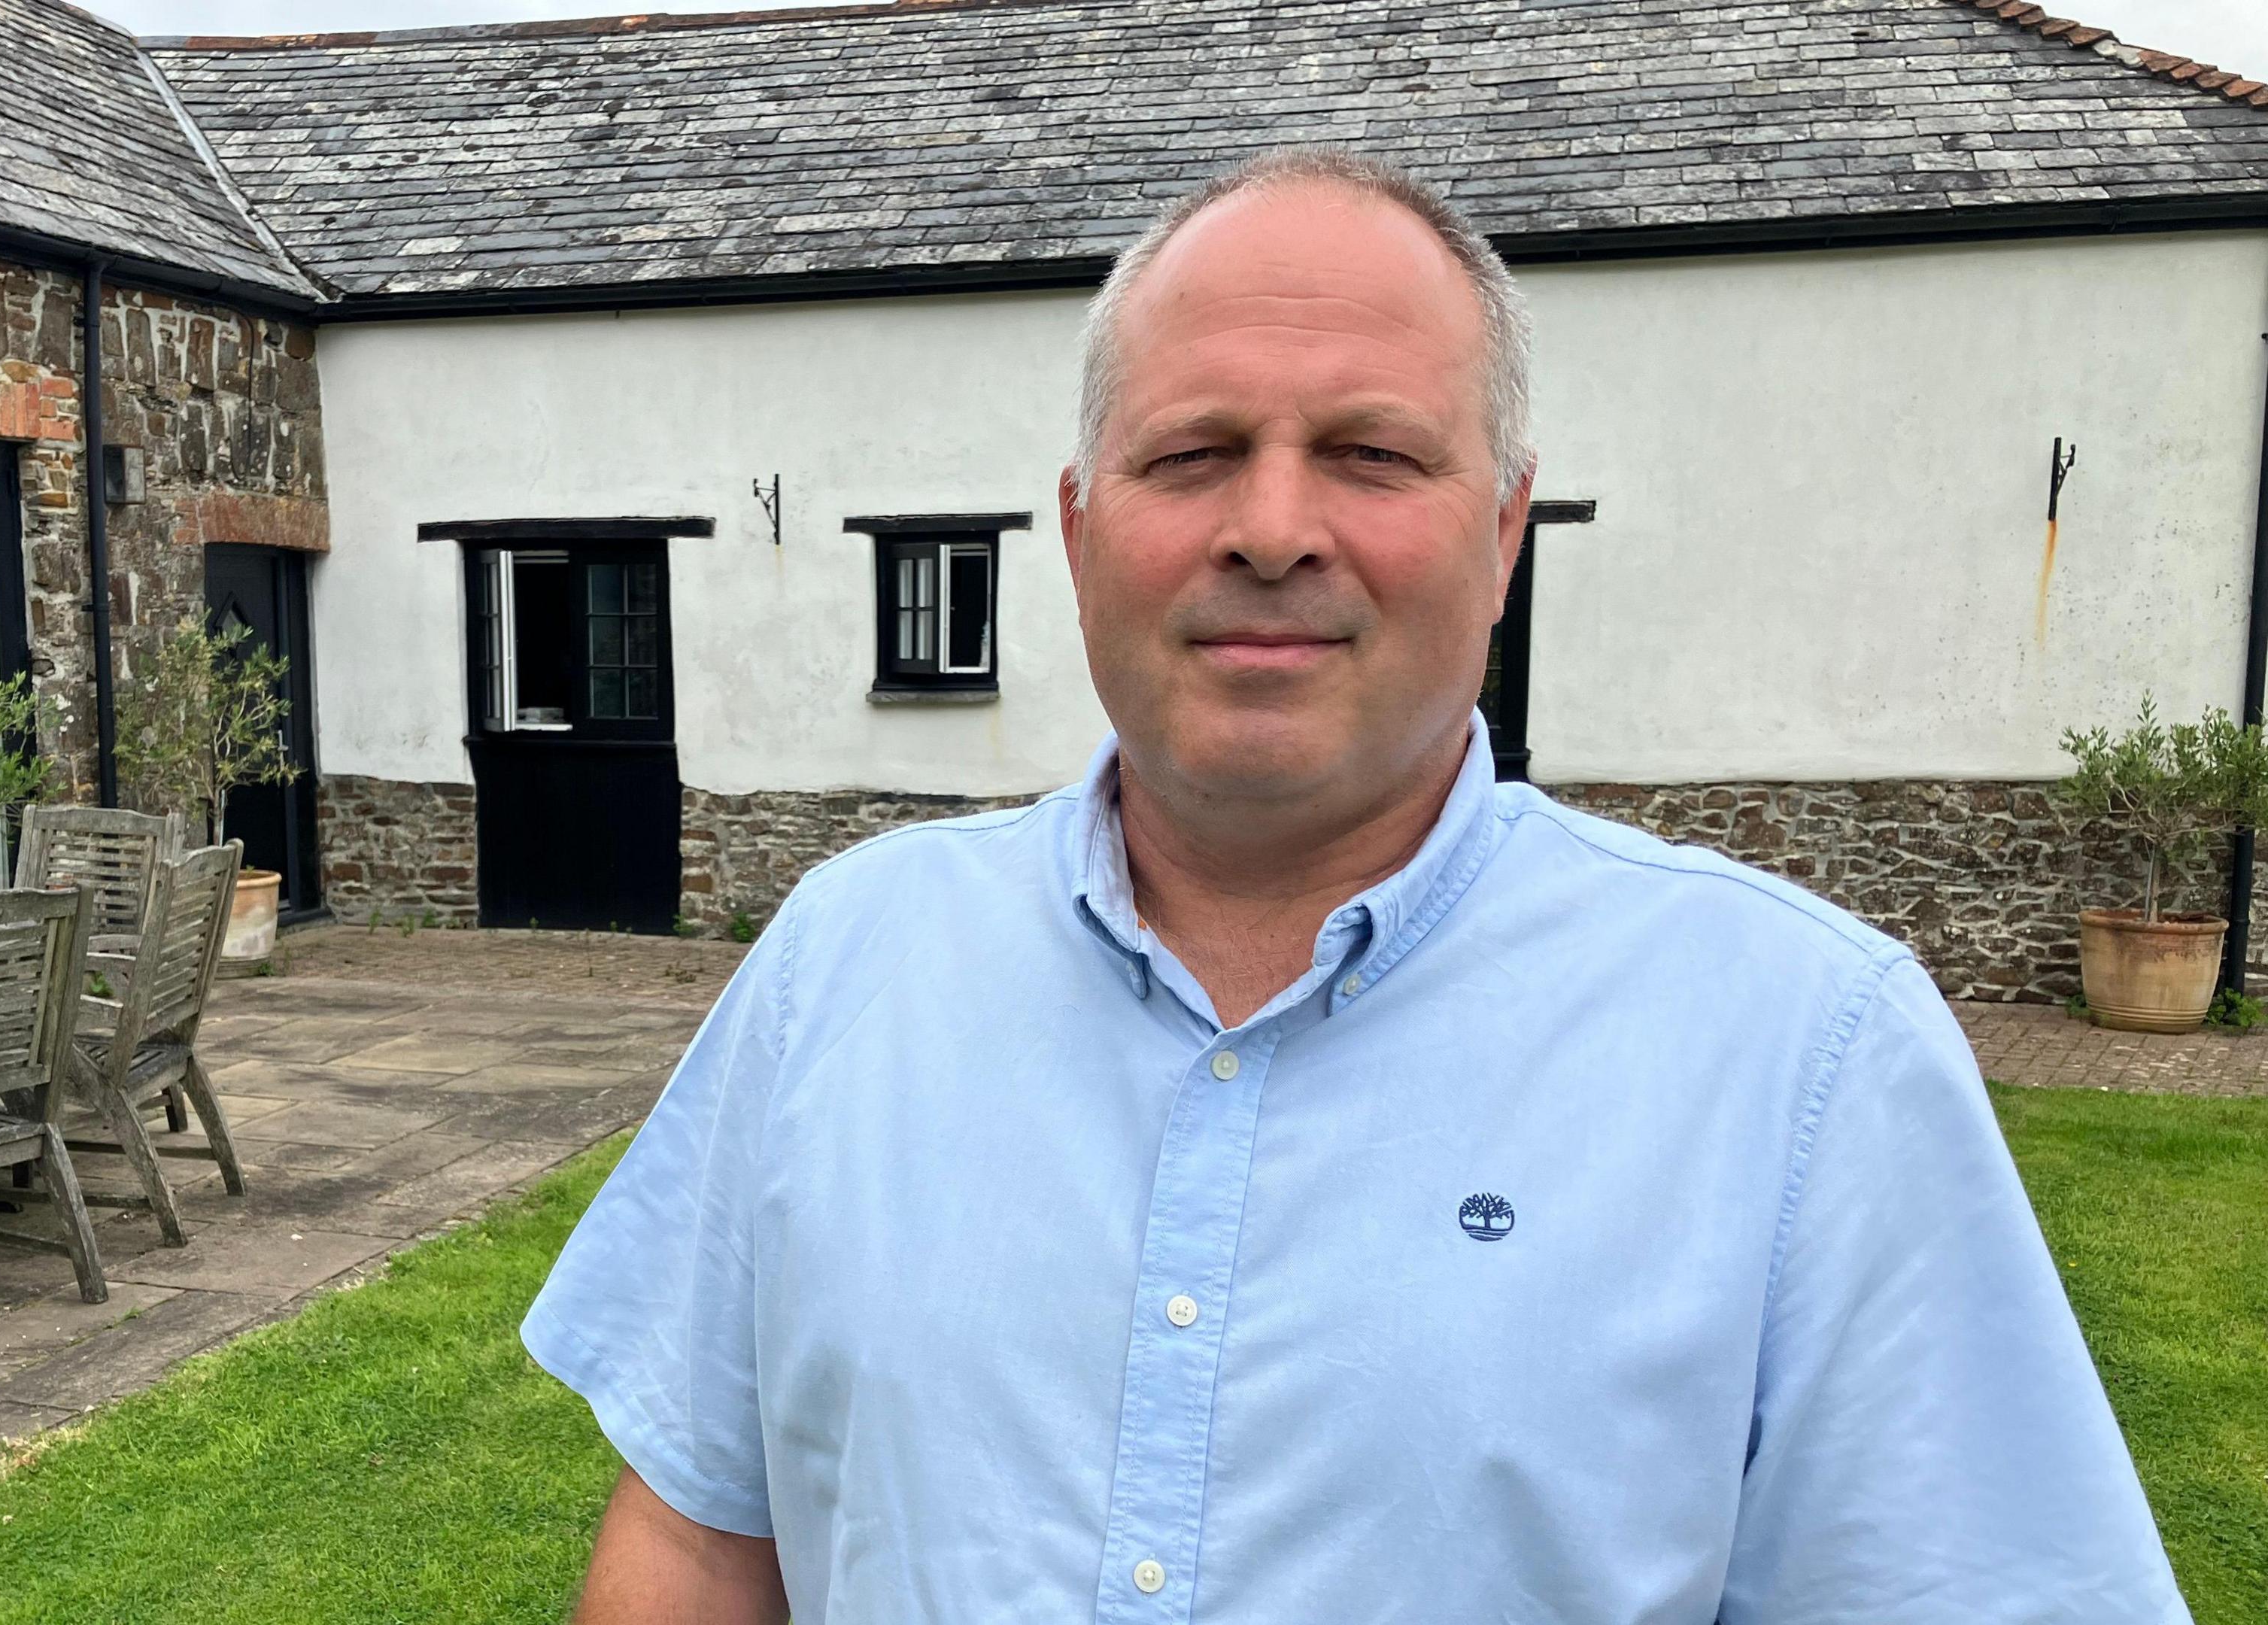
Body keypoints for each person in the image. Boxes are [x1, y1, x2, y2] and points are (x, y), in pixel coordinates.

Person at [521, 147, 2185, 1623]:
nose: (1271, 526)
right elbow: (701, 1545)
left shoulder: (1808, 1057)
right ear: (1082, 528)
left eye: (1373, 455)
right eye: (1194, 453)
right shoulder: (844, 964)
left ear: (1508, 532)